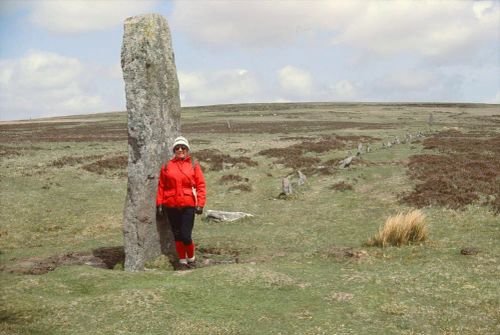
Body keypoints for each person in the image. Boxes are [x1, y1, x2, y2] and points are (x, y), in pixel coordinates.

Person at [156, 136, 206, 269]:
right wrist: (159, 203)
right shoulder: (167, 166)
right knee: (177, 235)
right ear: (174, 150)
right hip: (171, 205)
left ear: (187, 149)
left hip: (188, 204)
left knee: (186, 235)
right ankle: (182, 261)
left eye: (183, 147)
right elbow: (161, 186)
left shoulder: (194, 165)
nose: (180, 150)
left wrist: (200, 204)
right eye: (177, 148)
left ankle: (191, 259)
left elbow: (201, 185)